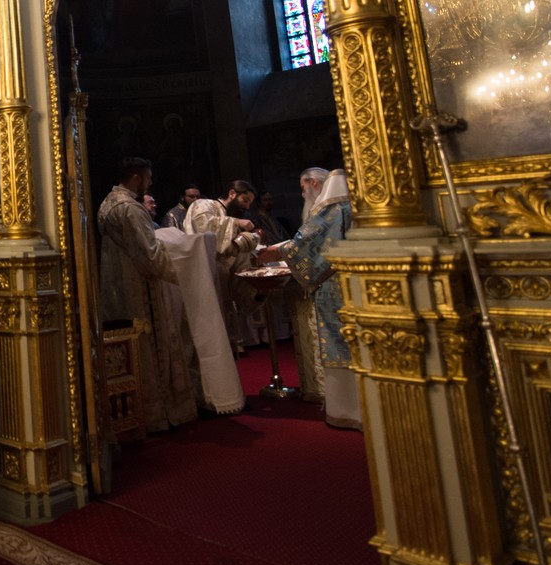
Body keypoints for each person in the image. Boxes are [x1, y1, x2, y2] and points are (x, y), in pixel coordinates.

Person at [98, 157, 197, 432]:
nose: (150, 183)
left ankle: (133, 415)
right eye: (148, 177)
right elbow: (150, 257)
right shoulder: (130, 209)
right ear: (136, 177)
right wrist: (185, 262)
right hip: (140, 292)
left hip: (117, 289)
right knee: (150, 350)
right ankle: (156, 415)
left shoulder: (107, 203)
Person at [260, 169, 357, 428]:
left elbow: (305, 244)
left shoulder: (330, 210)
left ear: (314, 183)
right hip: (356, 285)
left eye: (304, 189)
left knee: (338, 342)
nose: (304, 195)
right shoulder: (354, 204)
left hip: (333, 287)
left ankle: (346, 409)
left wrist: (272, 252)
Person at [182, 180, 260, 347]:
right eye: (245, 201)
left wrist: (257, 290)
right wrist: (237, 223)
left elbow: (236, 259)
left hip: (223, 281)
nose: (247, 208)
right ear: (232, 193)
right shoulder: (204, 204)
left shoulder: (231, 220)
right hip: (203, 274)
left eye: (250, 204)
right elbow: (204, 227)